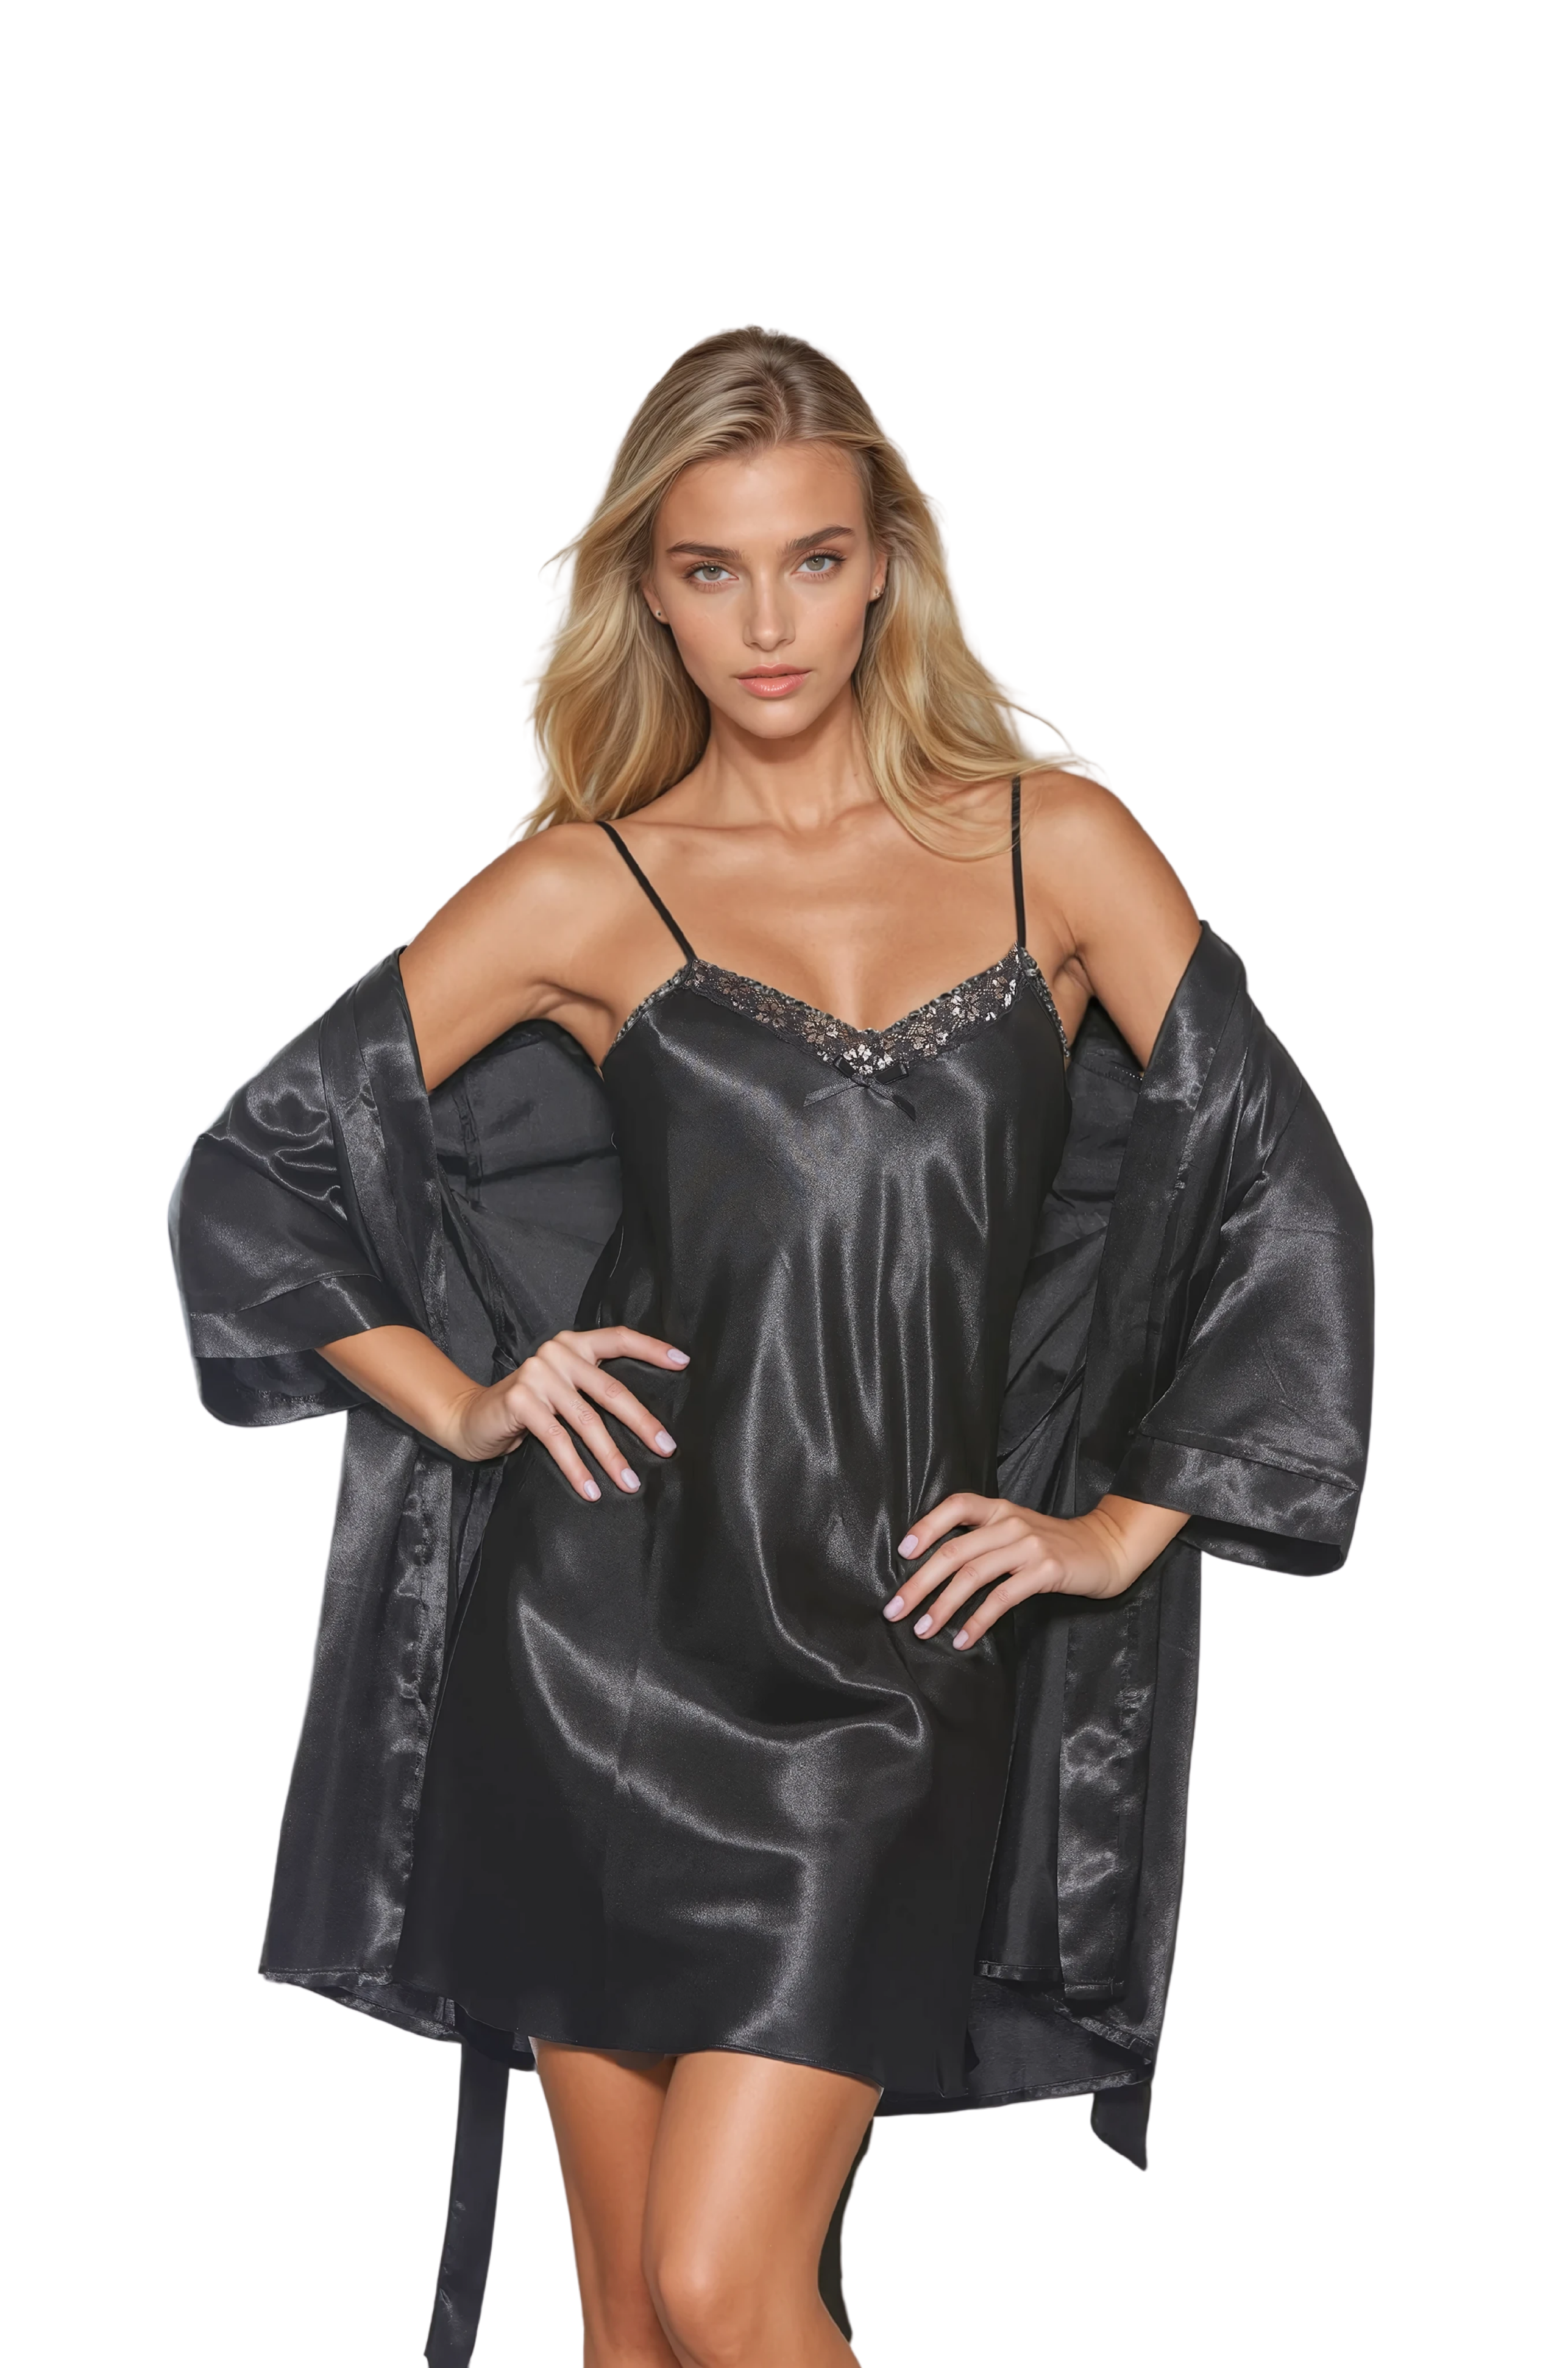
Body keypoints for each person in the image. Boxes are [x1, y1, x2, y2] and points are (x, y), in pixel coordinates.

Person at [169, 325, 1374, 2368]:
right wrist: (468, 1395)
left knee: (730, 2289)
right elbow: (255, 1163)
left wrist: (1116, 1522)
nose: (766, 622)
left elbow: (1287, 1189)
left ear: (887, 560)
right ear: (645, 590)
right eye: (709, 569)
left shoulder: (1054, 835)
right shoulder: (587, 880)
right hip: (585, 1642)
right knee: (633, 2321)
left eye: (812, 559)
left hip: (886, 1662)